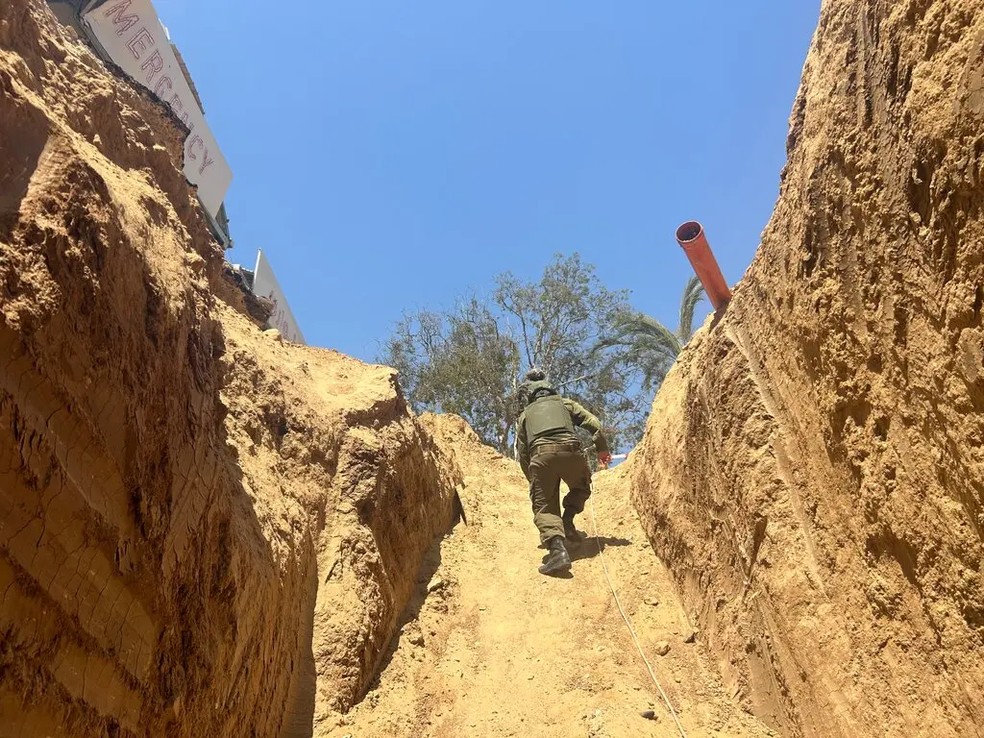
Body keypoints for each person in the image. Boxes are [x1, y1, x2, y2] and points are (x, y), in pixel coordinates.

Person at [516, 369, 612, 575]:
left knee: (545, 507)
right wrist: (602, 448)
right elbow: (594, 424)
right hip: (571, 453)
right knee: (581, 487)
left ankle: (558, 551)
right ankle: (567, 522)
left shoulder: (525, 415)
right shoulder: (565, 404)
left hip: (541, 457)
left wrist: (532, 478)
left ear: (530, 394)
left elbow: (523, 451)